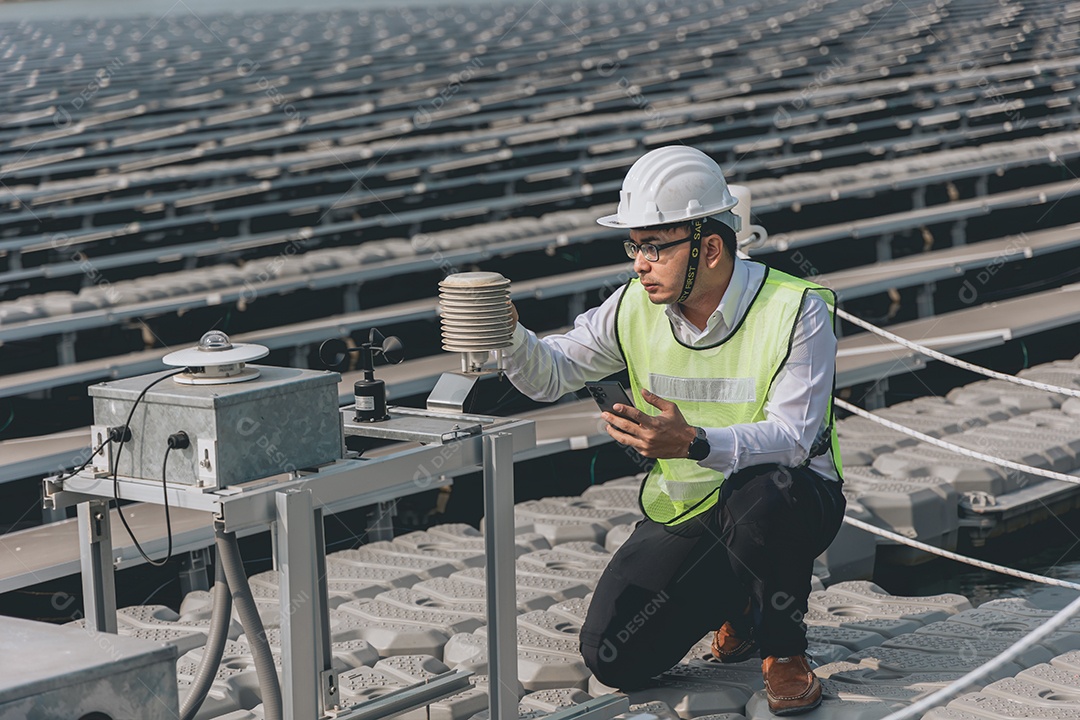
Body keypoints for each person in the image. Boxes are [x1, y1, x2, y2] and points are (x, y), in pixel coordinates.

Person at [501, 146, 846, 716]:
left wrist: (694, 443)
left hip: (789, 503)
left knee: (765, 491)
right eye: (634, 245)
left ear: (710, 247)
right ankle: (739, 600)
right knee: (614, 656)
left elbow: (793, 438)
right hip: (692, 512)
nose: (639, 262)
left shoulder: (796, 309)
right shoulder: (632, 305)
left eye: (655, 246)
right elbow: (552, 372)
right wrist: (505, 334)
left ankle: (783, 651)